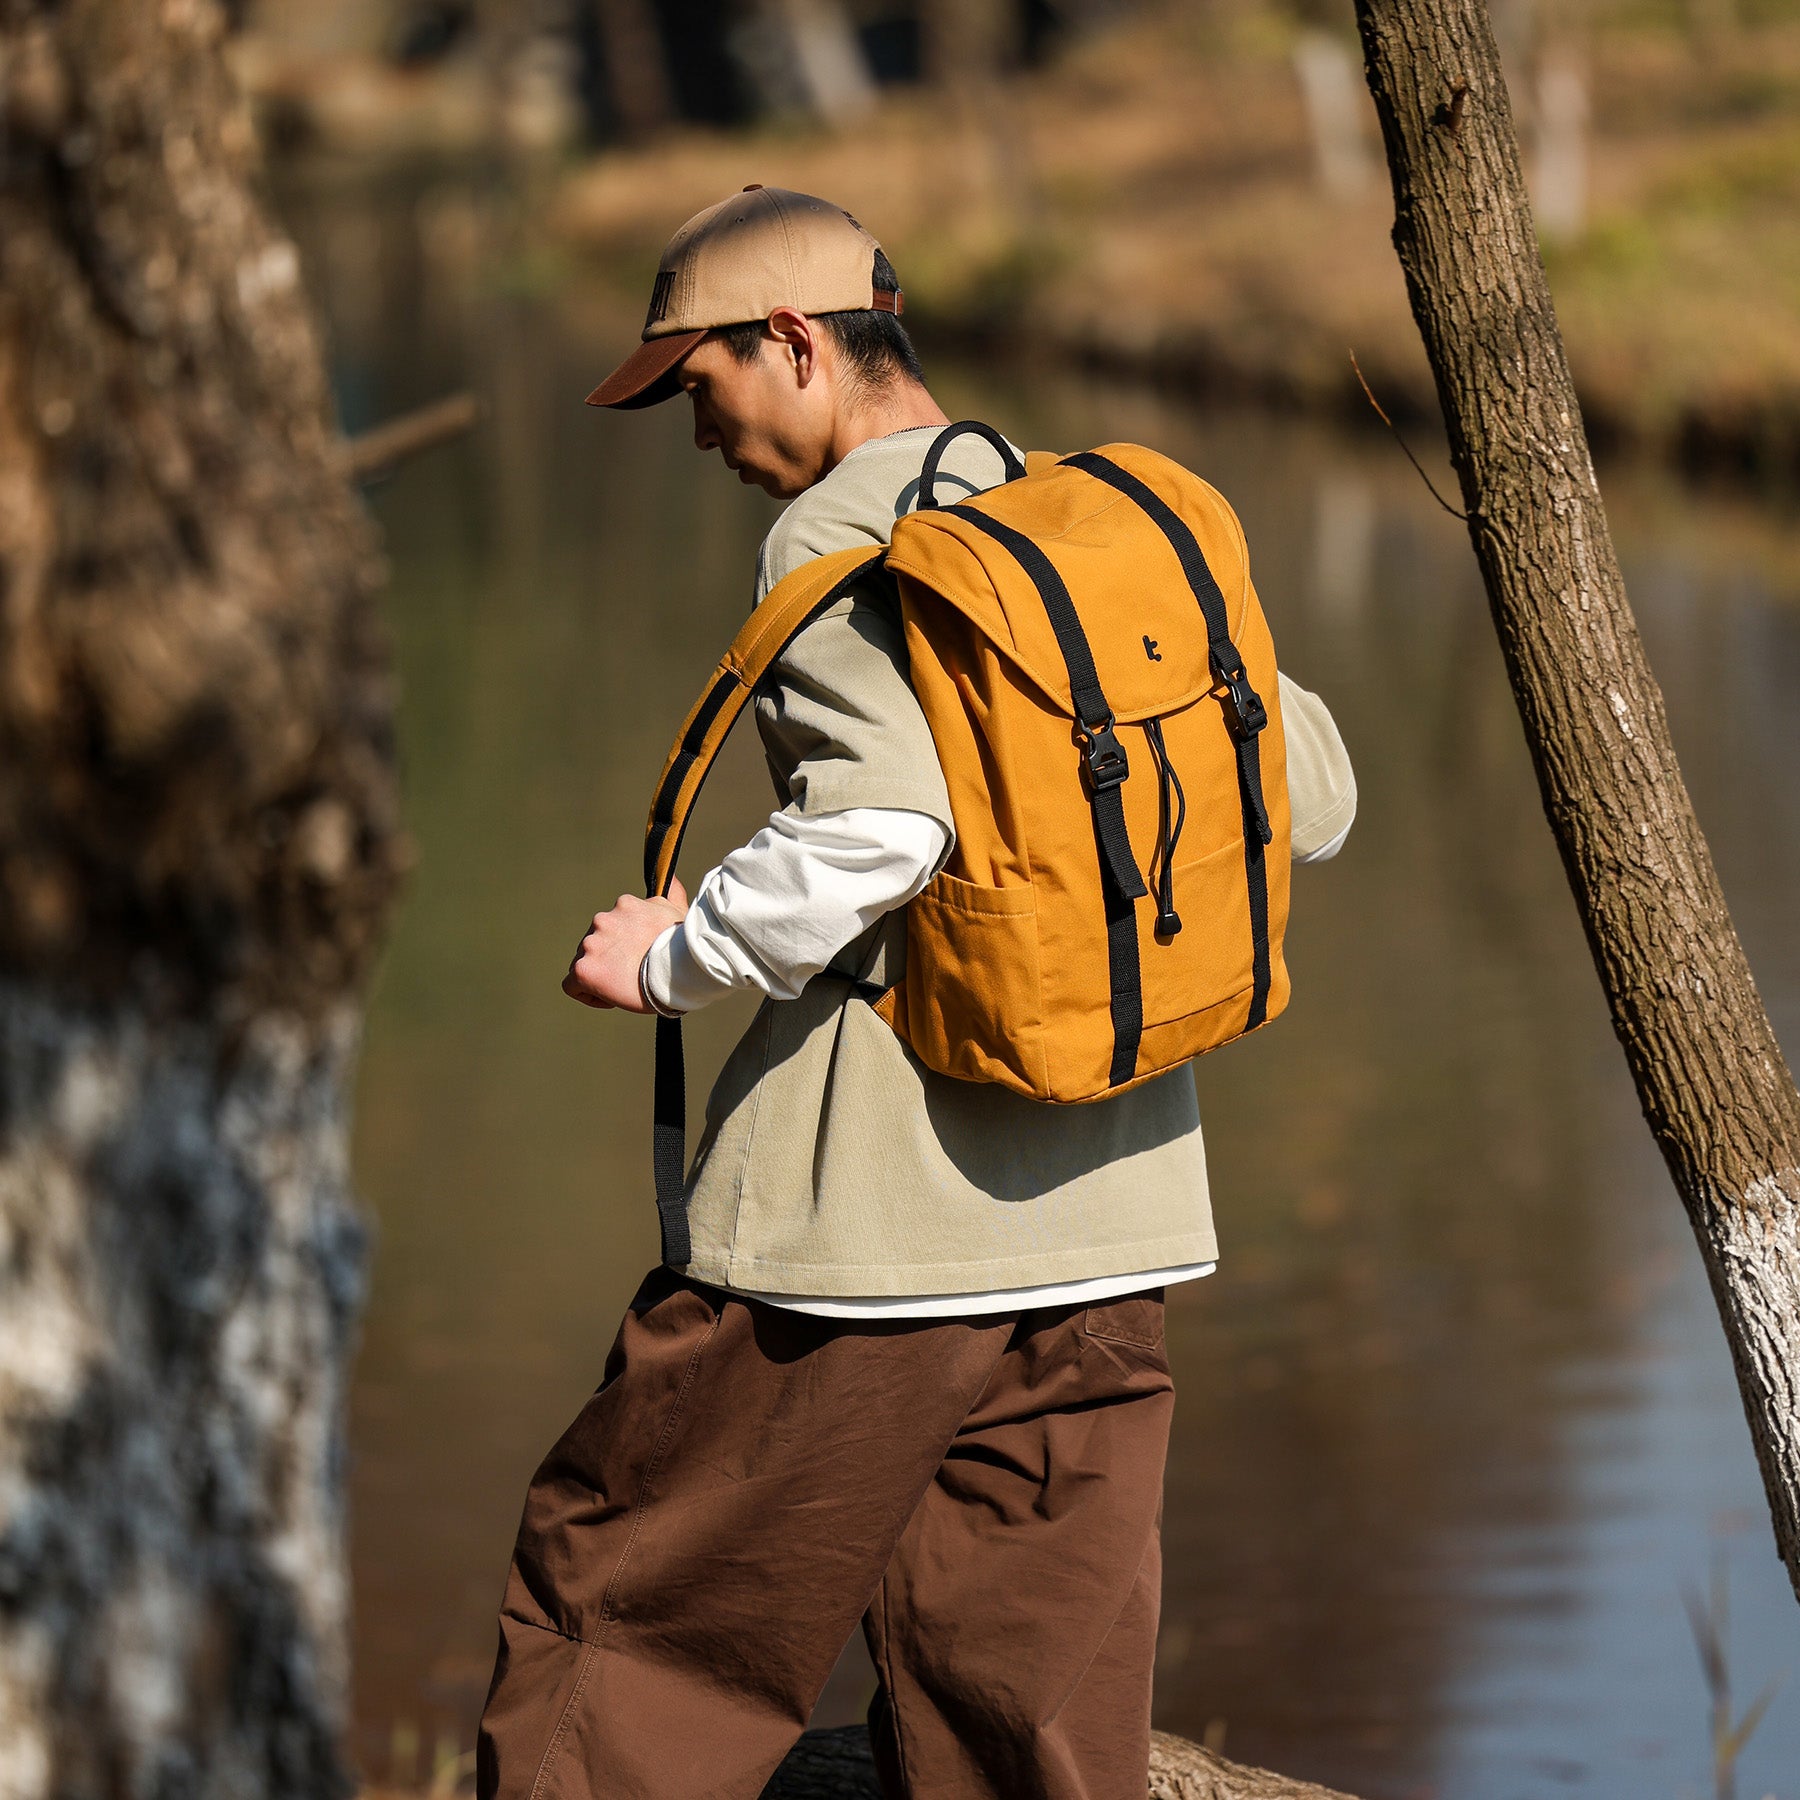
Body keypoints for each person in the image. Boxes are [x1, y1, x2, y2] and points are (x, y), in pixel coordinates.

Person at [476, 186, 1356, 1800]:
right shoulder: (1099, 520)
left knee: (627, 1619)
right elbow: (1311, 790)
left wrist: (669, 956)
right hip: (1117, 1228)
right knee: (1024, 1710)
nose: (697, 430)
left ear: (797, 346)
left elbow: (882, 830)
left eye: (700, 385)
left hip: (861, 1239)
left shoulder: (840, 539)